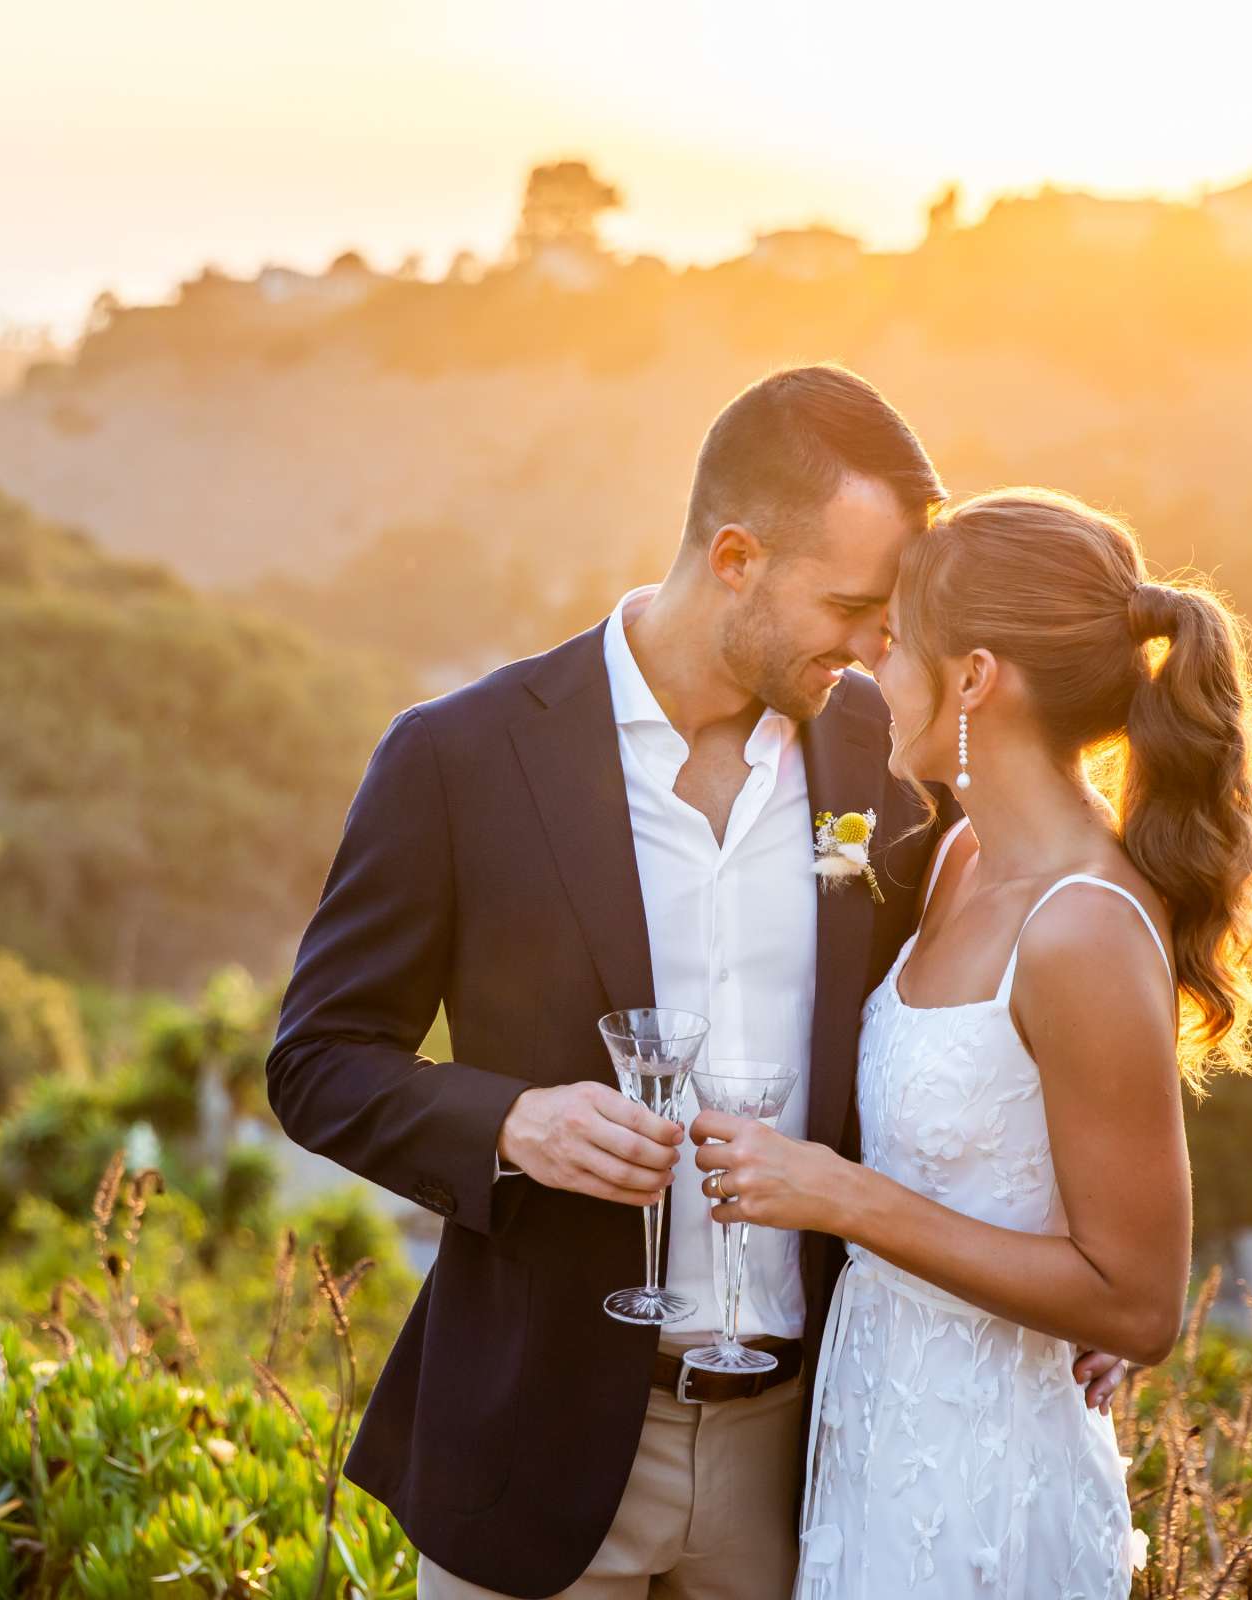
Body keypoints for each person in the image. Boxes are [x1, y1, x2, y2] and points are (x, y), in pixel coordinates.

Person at [267, 371, 1129, 1600]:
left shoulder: (884, 767)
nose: (878, 646)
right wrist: (513, 1122)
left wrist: (1077, 1263)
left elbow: (982, 1015)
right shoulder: (460, 758)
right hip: (538, 1454)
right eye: (850, 605)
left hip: (806, 1458)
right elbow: (319, 1060)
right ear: (735, 556)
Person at [688, 487, 1252, 1597]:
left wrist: (839, 1198)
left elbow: (1137, 1301)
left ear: (976, 678)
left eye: (896, 649)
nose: (872, 675)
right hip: (876, 1441)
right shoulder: (959, 857)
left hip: (988, 1484)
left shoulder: (1082, 925)